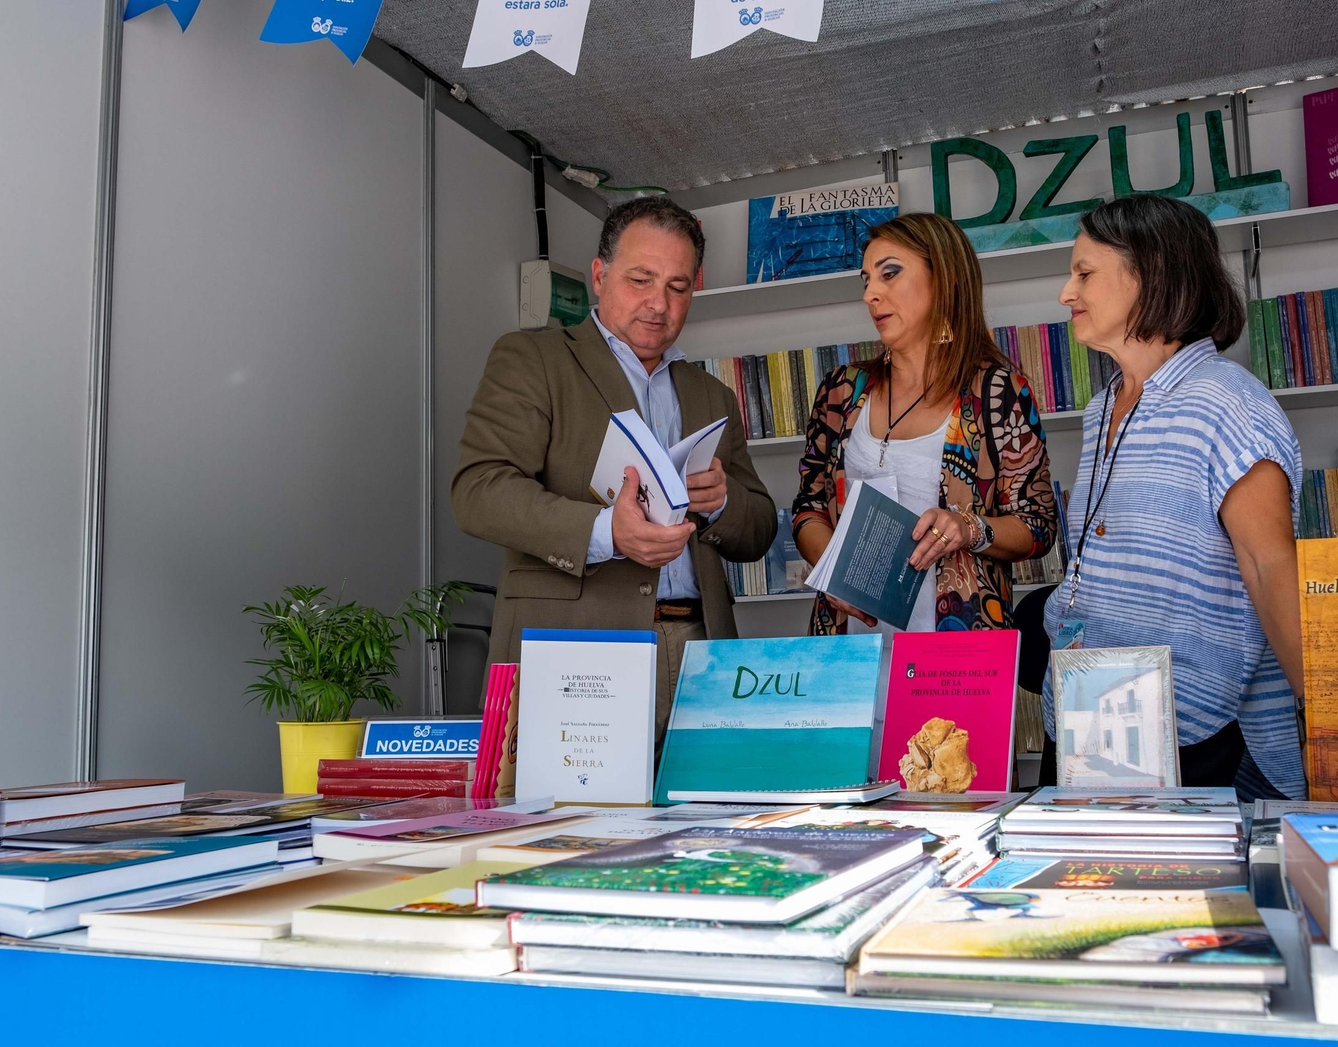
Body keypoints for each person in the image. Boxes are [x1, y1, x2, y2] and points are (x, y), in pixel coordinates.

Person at [452, 196, 777, 795]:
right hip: (577, 651)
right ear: (600, 276)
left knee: (705, 842)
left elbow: (758, 531)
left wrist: (724, 502)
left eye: (678, 287)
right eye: (641, 279)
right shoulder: (534, 359)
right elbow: (479, 489)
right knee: (566, 844)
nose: (659, 303)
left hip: (700, 656)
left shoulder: (711, 394)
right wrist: (606, 533)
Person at [1040, 193, 1306, 801]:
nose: (1066, 293)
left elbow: (1270, 568)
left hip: (1182, 731)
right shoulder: (1101, 407)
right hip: (1081, 716)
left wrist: (1334, 730)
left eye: (1084, 273)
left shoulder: (1229, 403)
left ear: (1151, 275)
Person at [792, 213, 1058, 635]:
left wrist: (969, 527)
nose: (870, 295)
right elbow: (808, 507)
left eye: (890, 274)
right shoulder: (842, 391)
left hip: (959, 649)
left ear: (945, 279)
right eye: (866, 280)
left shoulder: (996, 391)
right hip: (849, 649)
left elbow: (1038, 526)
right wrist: (832, 572)